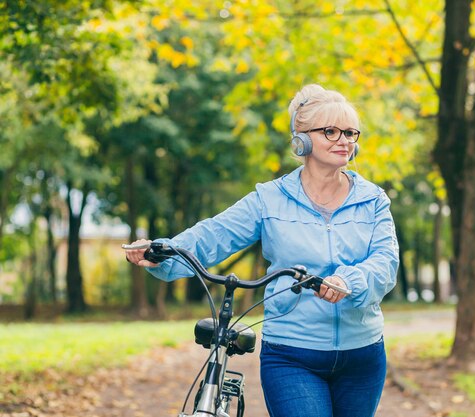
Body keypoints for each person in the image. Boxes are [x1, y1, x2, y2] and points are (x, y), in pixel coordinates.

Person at [125, 84, 399, 417]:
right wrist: (164, 250)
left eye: (351, 133)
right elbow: (214, 234)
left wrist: (349, 280)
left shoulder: (372, 200)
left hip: (363, 355)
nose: (344, 140)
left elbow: (385, 263)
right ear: (301, 139)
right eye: (331, 131)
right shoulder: (269, 199)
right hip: (292, 355)